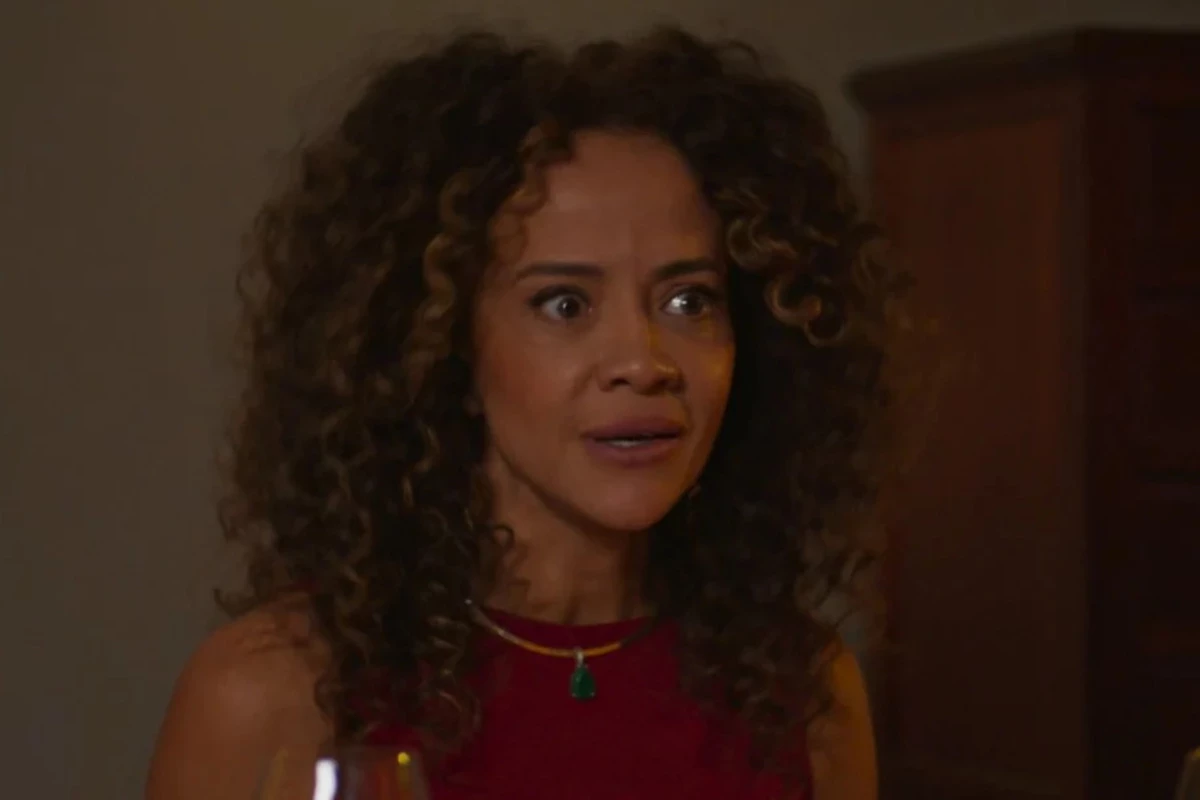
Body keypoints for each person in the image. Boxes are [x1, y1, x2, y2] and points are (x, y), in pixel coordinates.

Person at [147, 25, 900, 800]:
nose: (645, 362)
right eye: (565, 303)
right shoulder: (275, 694)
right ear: (443, 343)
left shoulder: (805, 693)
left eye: (688, 300)